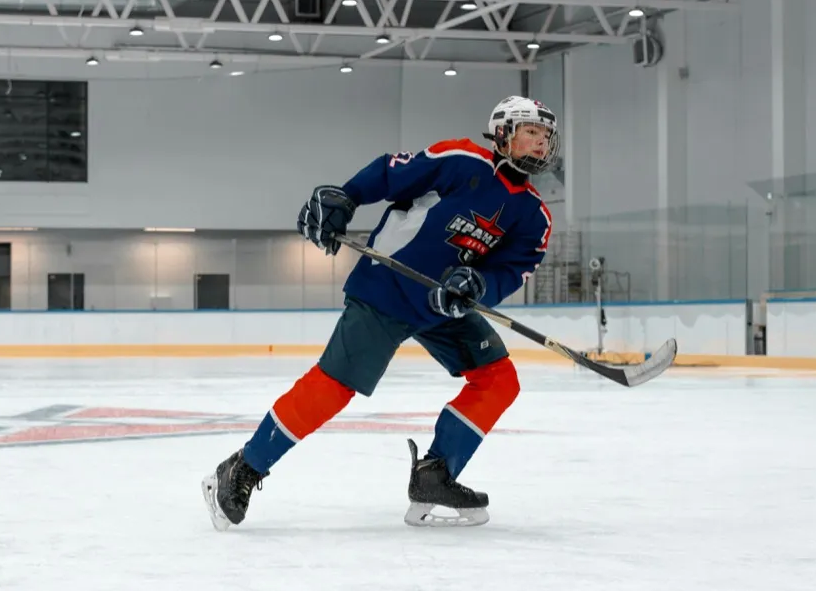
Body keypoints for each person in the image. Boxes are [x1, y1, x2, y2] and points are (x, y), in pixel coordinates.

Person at [202, 95, 557, 530]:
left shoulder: (535, 215)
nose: (540, 145)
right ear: (503, 133)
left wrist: (479, 285)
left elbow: (511, 268)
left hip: (441, 305)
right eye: (531, 133)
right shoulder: (463, 159)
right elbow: (392, 173)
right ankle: (242, 468)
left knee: (499, 379)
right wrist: (348, 198)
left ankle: (435, 474)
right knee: (334, 386)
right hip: (387, 288)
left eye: (545, 137)